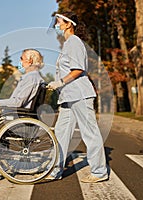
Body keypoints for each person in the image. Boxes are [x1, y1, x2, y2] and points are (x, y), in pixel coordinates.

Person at [47, 12, 108, 183]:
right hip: (68, 97)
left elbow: (78, 69)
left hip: (79, 94)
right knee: (60, 133)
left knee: (90, 132)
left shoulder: (74, 42)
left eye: (59, 21)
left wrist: (59, 82)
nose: (57, 24)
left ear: (68, 24)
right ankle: (55, 170)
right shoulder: (68, 44)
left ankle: (99, 172)